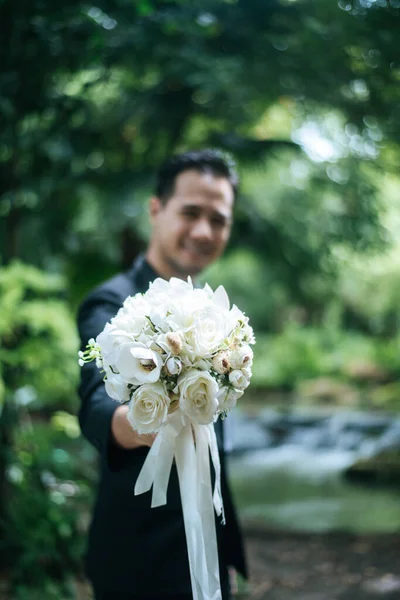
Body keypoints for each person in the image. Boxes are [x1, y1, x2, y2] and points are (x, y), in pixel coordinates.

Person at [77, 149, 248, 600]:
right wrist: (147, 420)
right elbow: (96, 406)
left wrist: (223, 553)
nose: (204, 231)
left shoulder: (217, 315)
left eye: (219, 219)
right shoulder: (110, 304)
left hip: (209, 554)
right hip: (138, 559)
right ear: (156, 209)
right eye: (190, 212)